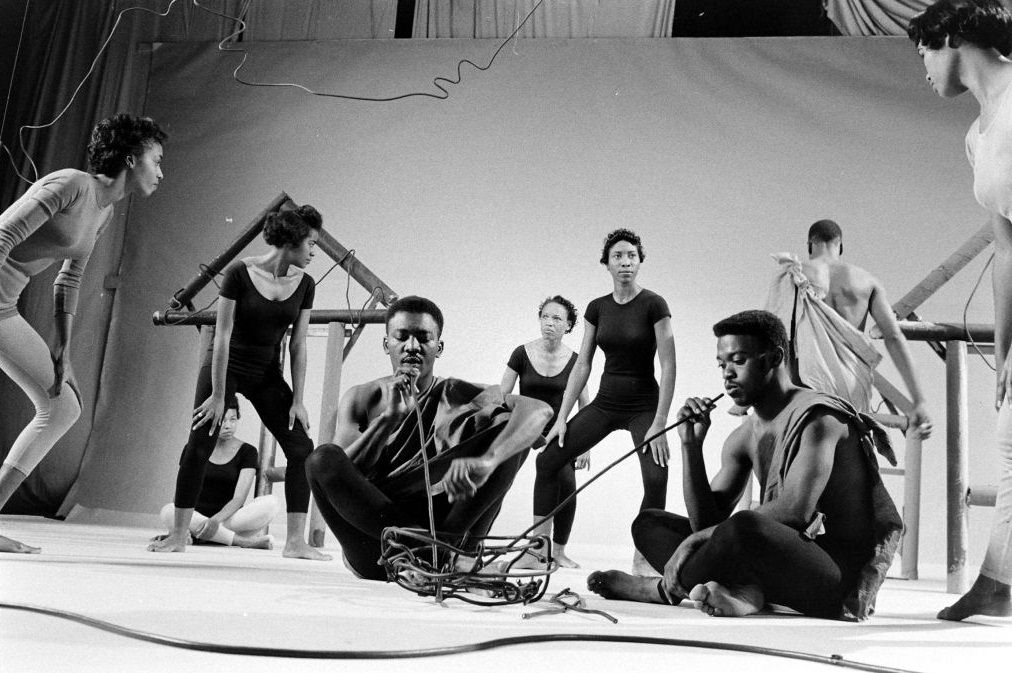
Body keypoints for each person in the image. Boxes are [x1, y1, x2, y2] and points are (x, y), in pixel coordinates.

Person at [588, 310, 903, 621]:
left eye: (739, 361)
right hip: (781, 560)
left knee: (744, 526)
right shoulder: (744, 436)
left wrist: (695, 541)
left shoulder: (819, 418)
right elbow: (707, 522)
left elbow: (794, 513)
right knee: (649, 525)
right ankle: (747, 591)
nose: (727, 373)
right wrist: (690, 447)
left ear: (774, 358)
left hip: (837, 574)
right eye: (722, 364)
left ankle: (660, 589)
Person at [0, 113, 166, 554]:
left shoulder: (105, 211)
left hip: (3, 308)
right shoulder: (71, 184)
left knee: (61, 406)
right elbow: (0, 234)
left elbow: (68, 281)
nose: (161, 172)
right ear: (131, 159)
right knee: (60, 408)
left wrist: (63, 347)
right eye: (156, 159)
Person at [305, 295, 552, 581]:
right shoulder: (363, 397)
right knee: (320, 458)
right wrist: (387, 421)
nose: (412, 347)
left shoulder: (458, 393)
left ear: (439, 346)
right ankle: (437, 555)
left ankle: (445, 553)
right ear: (387, 344)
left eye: (423, 338)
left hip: (447, 530)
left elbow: (540, 410)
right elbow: (339, 475)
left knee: (510, 429)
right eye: (402, 337)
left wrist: (486, 462)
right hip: (377, 543)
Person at [149, 204, 329, 561]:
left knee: (300, 449)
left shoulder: (305, 284)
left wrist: (298, 400)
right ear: (291, 241)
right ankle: (179, 534)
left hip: (265, 373)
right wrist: (218, 395)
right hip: (226, 366)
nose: (313, 252)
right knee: (200, 443)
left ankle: (295, 543)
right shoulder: (239, 273)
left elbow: (298, 344)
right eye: (311, 243)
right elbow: (222, 336)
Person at [908, 0, 1012, 621]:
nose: (922, 68)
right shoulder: (979, 134)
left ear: (947, 36)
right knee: (1011, 441)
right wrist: (1004, 348)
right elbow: (1006, 244)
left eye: (923, 50)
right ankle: (1000, 583)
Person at [533, 229, 676, 573]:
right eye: (618, 256)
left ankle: (644, 558)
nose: (625, 262)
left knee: (657, 477)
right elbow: (583, 364)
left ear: (640, 261)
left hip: (644, 406)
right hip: (606, 403)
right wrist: (563, 417)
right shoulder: (598, 308)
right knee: (548, 460)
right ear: (607, 264)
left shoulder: (655, 305)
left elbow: (668, 365)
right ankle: (538, 552)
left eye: (631, 255)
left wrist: (660, 422)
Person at [765, 219, 932, 438]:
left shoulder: (794, 273)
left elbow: (772, 333)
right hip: (852, 385)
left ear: (809, 244)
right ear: (840, 246)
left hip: (806, 386)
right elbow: (894, 337)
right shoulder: (868, 281)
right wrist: (919, 400)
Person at [501, 295, 590, 568]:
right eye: (545, 317)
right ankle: (473, 542)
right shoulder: (521, 353)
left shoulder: (576, 360)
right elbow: (502, 395)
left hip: (558, 429)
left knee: (566, 481)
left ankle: (556, 551)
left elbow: (585, 404)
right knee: (497, 477)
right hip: (525, 424)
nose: (549, 323)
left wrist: (586, 446)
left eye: (557, 319)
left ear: (568, 326)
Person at [155, 398, 276, 549]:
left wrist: (215, 521)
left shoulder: (248, 452)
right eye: (222, 420)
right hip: (194, 515)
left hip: (228, 519)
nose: (228, 426)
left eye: (232, 420)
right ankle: (241, 541)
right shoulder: (192, 448)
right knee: (168, 511)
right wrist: (177, 526)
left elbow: (238, 499)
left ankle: (204, 535)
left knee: (271, 504)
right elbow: (182, 491)